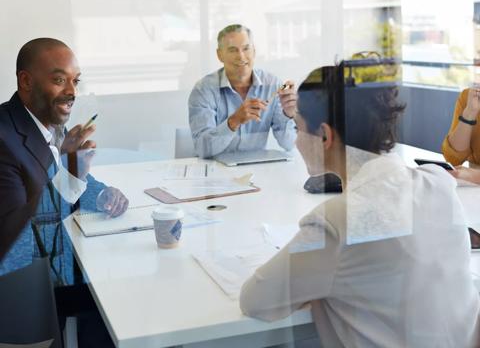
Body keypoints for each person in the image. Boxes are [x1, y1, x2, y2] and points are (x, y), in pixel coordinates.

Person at [240, 64, 480, 348]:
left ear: (326, 136)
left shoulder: (335, 221)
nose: (296, 140)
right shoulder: (438, 184)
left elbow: (255, 300)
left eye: (299, 128)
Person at [0, 38, 128, 280]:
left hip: (70, 258)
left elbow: (64, 178)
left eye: (75, 81)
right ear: (26, 81)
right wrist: (70, 178)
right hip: (36, 286)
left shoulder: (50, 124)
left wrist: (101, 195)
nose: (72, 92)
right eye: (59, 80)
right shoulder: (3, 140)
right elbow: (18, 243)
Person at [188, 24, 297, 158]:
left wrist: (288, 114)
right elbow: (202, 149)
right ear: (220, 55)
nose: (241, 56)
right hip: (215, 171)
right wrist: (233, 122)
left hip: (258, 169)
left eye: (246, 49)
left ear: (254, 51)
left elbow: (289, 144)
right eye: (233, 50)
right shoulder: (203, 90)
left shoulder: (272, 85)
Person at [443, 87, 480, 166]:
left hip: (470, 176)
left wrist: (473, 175)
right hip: (468, 176)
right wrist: (470, 112)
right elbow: (453, 159)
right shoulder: (469, 96)